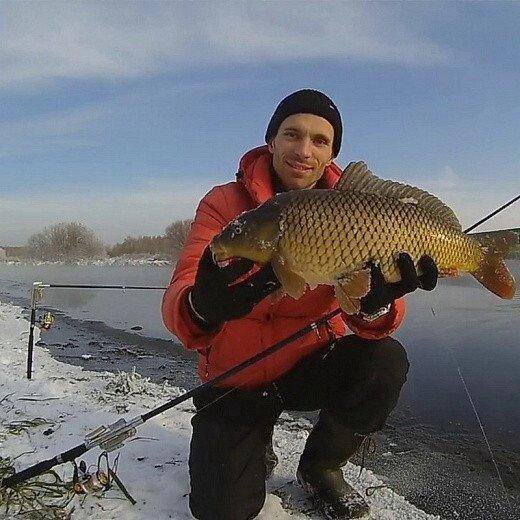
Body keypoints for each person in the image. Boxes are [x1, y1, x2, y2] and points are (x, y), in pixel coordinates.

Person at [162, 89, 438, 520]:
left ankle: (321, 466)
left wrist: (375, 306)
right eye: (292, 134)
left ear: (332, 154)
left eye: (320, 141)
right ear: (272, 140)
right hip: (237, 377)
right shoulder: (224, 204)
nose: (304, 150)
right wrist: (203, 304)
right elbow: (180, 298)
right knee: (223, 511)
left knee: (384, 360)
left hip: (309, 364)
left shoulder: (358, 211)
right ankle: (255, 440)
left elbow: (375, 322)